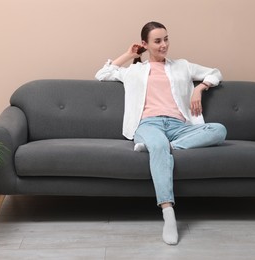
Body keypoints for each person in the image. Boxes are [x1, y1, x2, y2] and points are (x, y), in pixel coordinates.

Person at [95, 21, 227, 245]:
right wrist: (128, 54)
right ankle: (169, 215)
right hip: (149, 125)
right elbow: (102, 73)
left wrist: (199, 88)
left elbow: (215, 73)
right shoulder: (135, 71)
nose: (164, 45)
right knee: (158, 145)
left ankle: (166, 146)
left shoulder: (182, 66)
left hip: (179, 127)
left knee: (219, 130)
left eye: (166, 39)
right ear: (145, 44)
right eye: (157, 41)